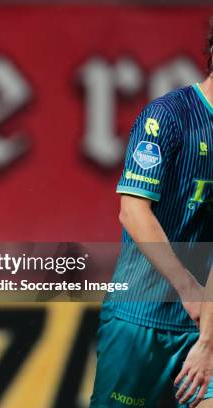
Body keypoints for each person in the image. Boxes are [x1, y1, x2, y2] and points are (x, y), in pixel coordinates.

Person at [90, 18, 213, 408]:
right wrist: (186, 286)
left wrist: (208, 340)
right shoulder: (170, 117)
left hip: (201, 327)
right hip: (139, 320)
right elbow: (133, 212)